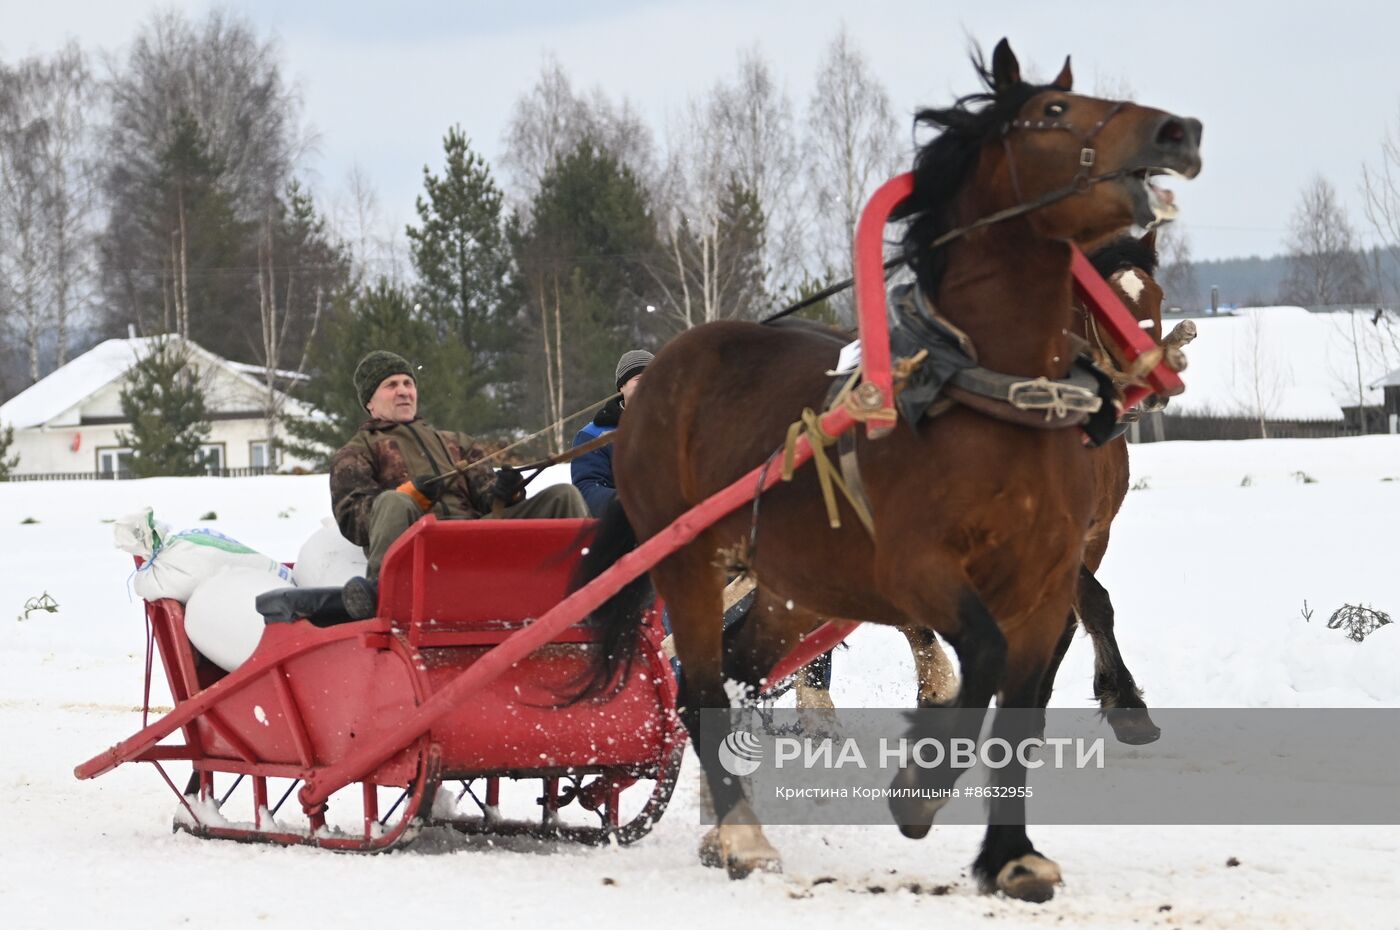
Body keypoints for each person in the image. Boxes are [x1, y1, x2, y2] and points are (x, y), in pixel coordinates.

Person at [331, 350, 588, 617]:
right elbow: (353, 519)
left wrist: (507, 492)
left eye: (408, 383)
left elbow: (487, 497)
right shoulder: (356, 452)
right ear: (370, 402)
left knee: (563, 496)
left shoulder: (456, 442)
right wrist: (411, 496)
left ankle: (592, 586)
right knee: (393, 500)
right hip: (420, 551)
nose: (404, 391)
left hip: (477, 540)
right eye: (391, 385)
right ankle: (382, 592)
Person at [571, 349, 652, 517]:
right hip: (622, 527)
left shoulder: (674, 430)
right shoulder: (592, 435)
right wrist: (627, 503)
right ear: (622, 386)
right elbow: (587, 488)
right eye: (639, 379)